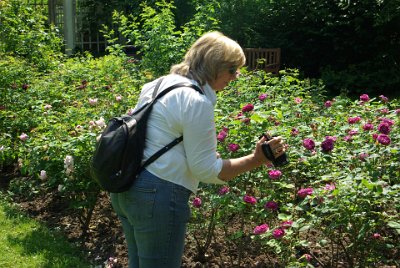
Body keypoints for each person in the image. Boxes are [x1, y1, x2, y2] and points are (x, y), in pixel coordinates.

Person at [110, 31, 286, 268]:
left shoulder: (158, 84)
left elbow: (156, 135)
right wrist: (257, 159)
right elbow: (205, 170)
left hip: (127, 187)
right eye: (232, 70)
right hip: (157, 195)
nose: (236, 76)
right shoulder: (196, 101)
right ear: (214, 66)